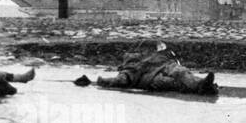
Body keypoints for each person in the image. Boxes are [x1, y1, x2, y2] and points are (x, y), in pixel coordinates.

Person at [83, 43, 217, 95]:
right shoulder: (129, 69)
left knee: (181, 72)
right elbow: (121, 80)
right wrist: (103, 81)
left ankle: (201, 84)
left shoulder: (152, 57)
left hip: (164, 66)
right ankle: (201, 86)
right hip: (152, 79)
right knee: (173, 81)